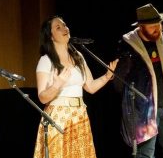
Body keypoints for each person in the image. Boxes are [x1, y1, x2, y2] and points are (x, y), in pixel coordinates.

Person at [33, 15, 119, 158]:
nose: (64, 28)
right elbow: (42, 97)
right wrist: (57, 85)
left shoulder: (78, 56)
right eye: (58, 27)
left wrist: (106, 77)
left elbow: (90, 87)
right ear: (51, 36)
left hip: (79, 116)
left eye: (64, 25)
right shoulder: (46, 60)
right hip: (58, 117)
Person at [113, 3, 163, 158]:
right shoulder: (128, 44)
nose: (157, 28)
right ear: (141, 27)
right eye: (153, 26)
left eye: (159, 24)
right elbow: (118, 84)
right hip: (144, 109)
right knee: (145, 155)